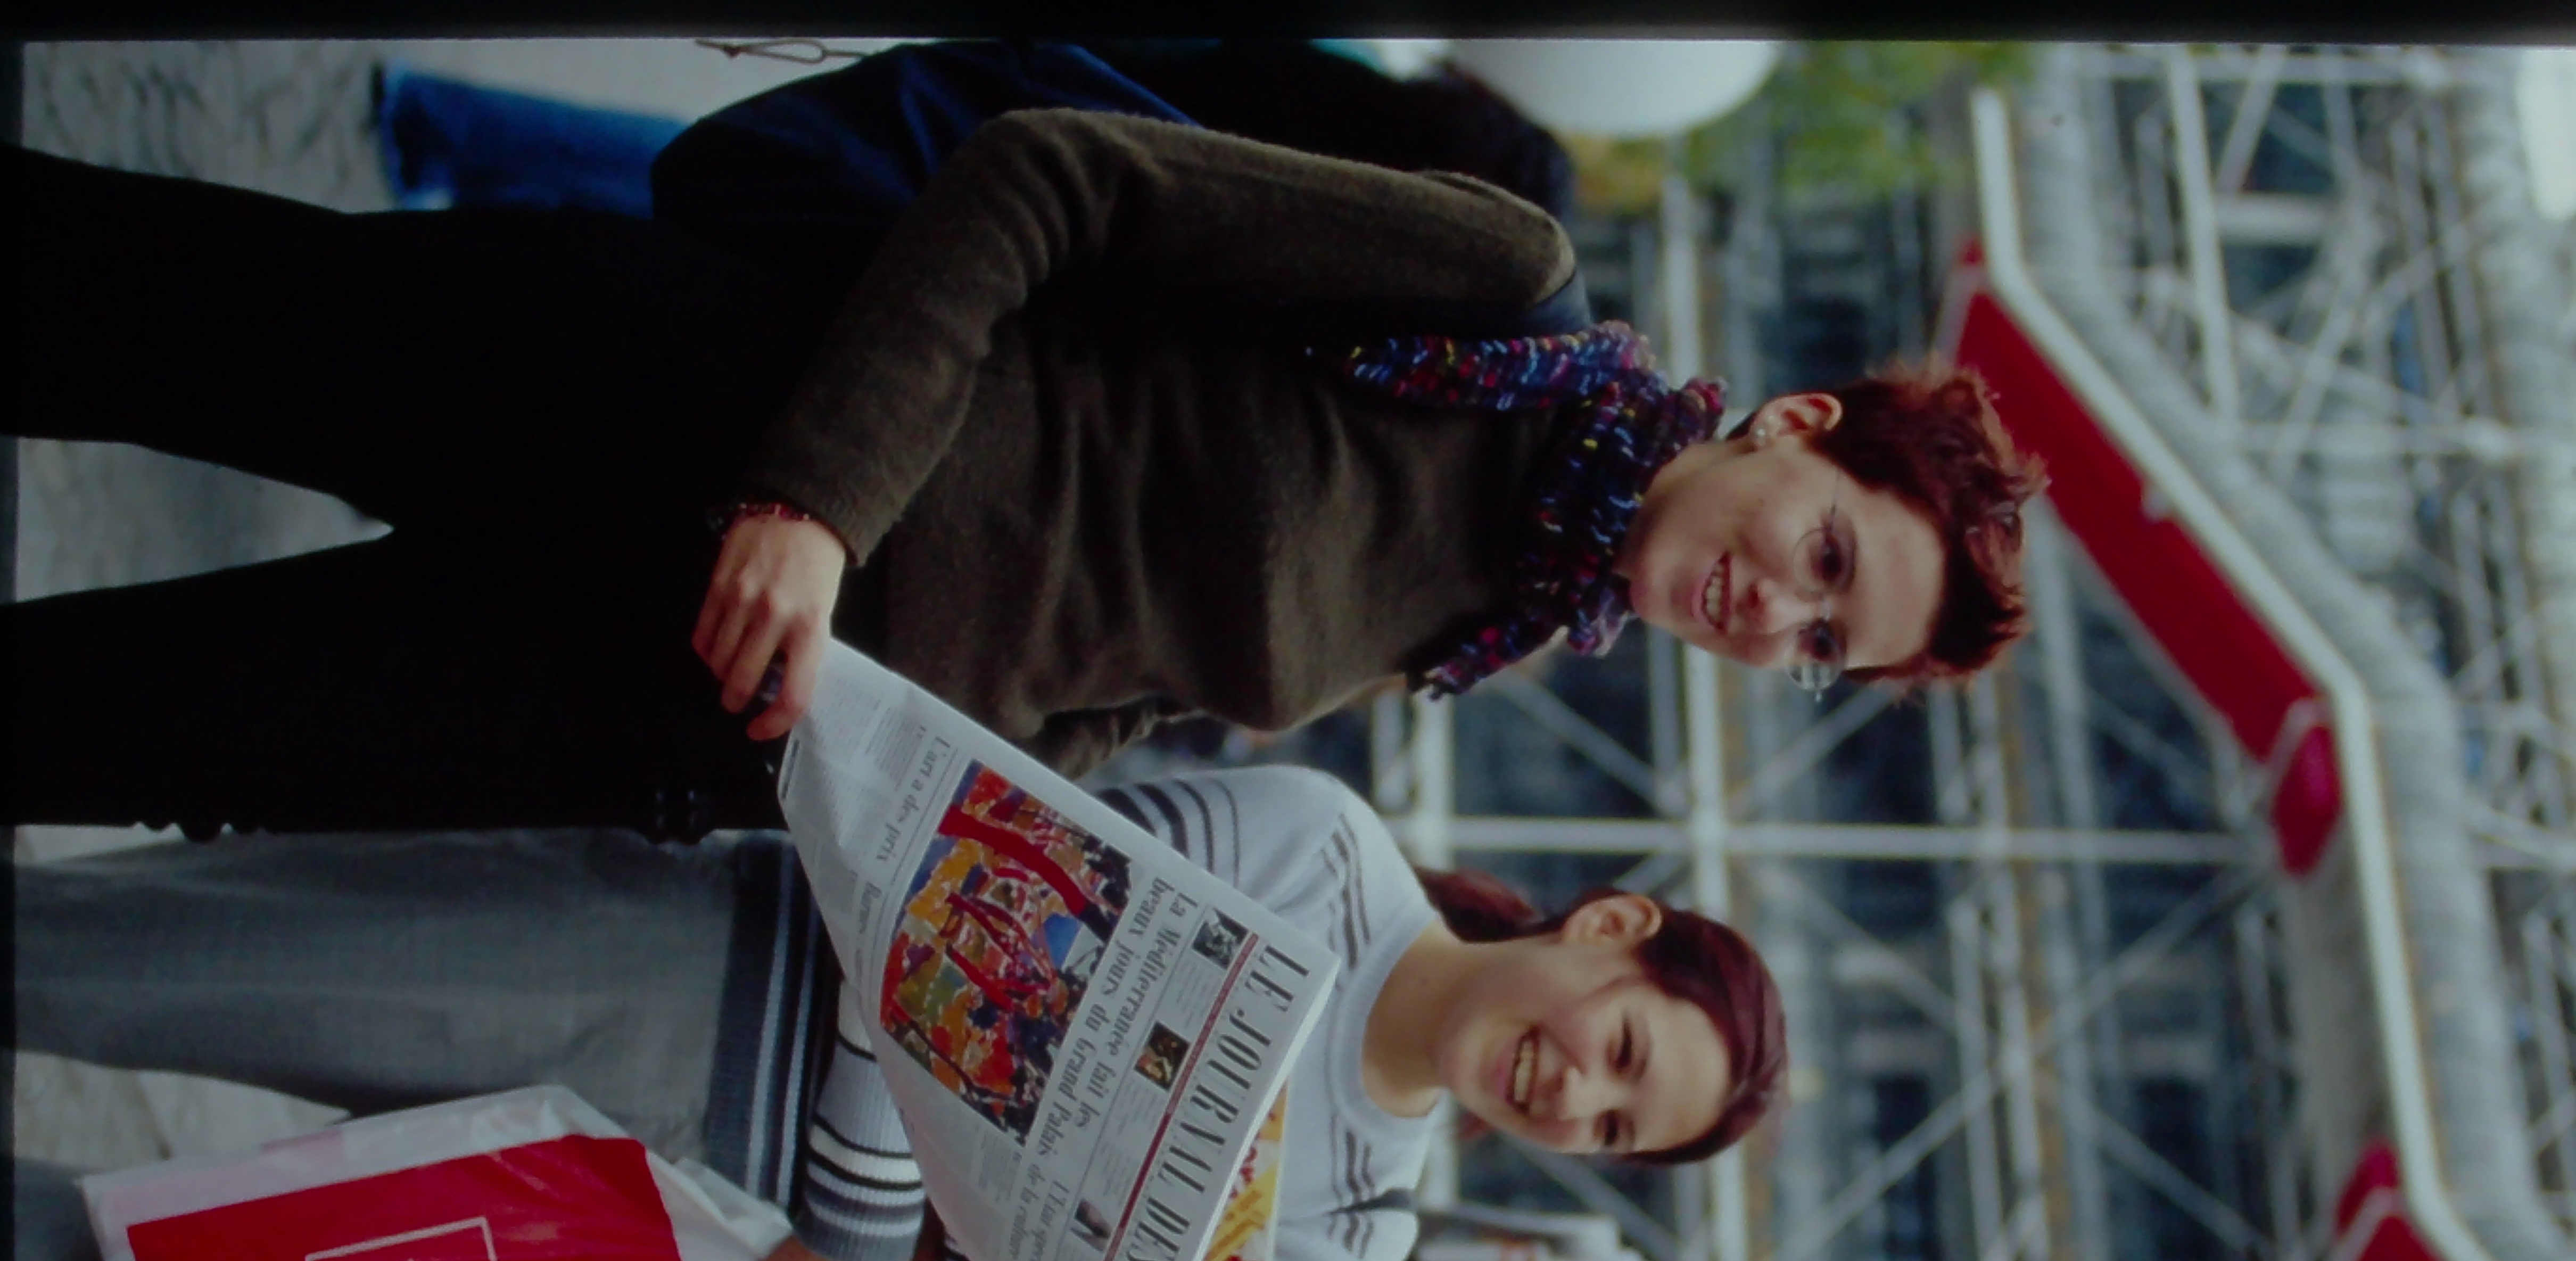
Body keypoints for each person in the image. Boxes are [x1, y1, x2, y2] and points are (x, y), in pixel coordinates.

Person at [3, 115, 2039, 839]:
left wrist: (897, 792)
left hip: (700, 693)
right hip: (703, 410)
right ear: (1792, 431)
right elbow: (1049, 180)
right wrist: (819, 497)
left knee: (103, 727)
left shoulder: (1495, 623)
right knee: (135, 309)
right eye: (1826, 559)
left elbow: (1116, 688)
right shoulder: (1503, 297)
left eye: (1817, 649)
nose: (1773, 617)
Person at [11, 767, 1787, 1261]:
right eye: (1622, 1048)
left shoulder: (1359, 1228)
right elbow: (935, 904)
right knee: (160, 961)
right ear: (1606, 926)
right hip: (679, 985)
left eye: (1618, 1129)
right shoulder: (1310, 855)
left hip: (701, 1255)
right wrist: (903, 1208)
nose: (1572, 1095)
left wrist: (1049, 1237)